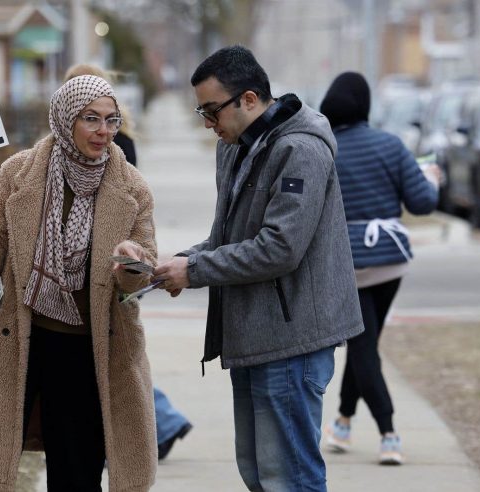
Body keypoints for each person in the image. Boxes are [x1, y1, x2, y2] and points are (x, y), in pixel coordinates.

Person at [153, 46, 364, 491]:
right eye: (201, 111)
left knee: (290, 477)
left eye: (213, 111)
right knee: (259, 473)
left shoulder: (301, 150)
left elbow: (279, 248)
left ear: (249, 99)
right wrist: (182, 261)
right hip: (254, 332)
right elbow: (229, 237)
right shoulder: (235, 147)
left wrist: (194, 271)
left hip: (293, 340)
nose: (208, 123)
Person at [0, 75, 158, 491]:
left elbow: (142, 268)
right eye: (91, 119)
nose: (104, 131)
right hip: (16, 337)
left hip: (88, 350)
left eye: (111, 120)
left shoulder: (132, 188)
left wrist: (132, 265)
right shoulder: (18, 173)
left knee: (76, 476)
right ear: (64, 119)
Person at [65, 63, 194, 461]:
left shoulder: (118, 148)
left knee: (116, 364)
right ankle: (161, 422)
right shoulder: (45, 159)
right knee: (111, 365)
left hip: (113, 271)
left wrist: (128, 253)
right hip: (78, 285)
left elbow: (128, 207)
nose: (100, 129)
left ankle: (163, 421)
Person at [318, 71, 440, 466]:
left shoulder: (324, 148)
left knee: (363, 346)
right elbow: (422, 204)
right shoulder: (391, 145)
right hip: (389, 264)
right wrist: (431, 180)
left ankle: (388, 433)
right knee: (365, 344)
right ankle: (343, 421)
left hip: (345, 264)